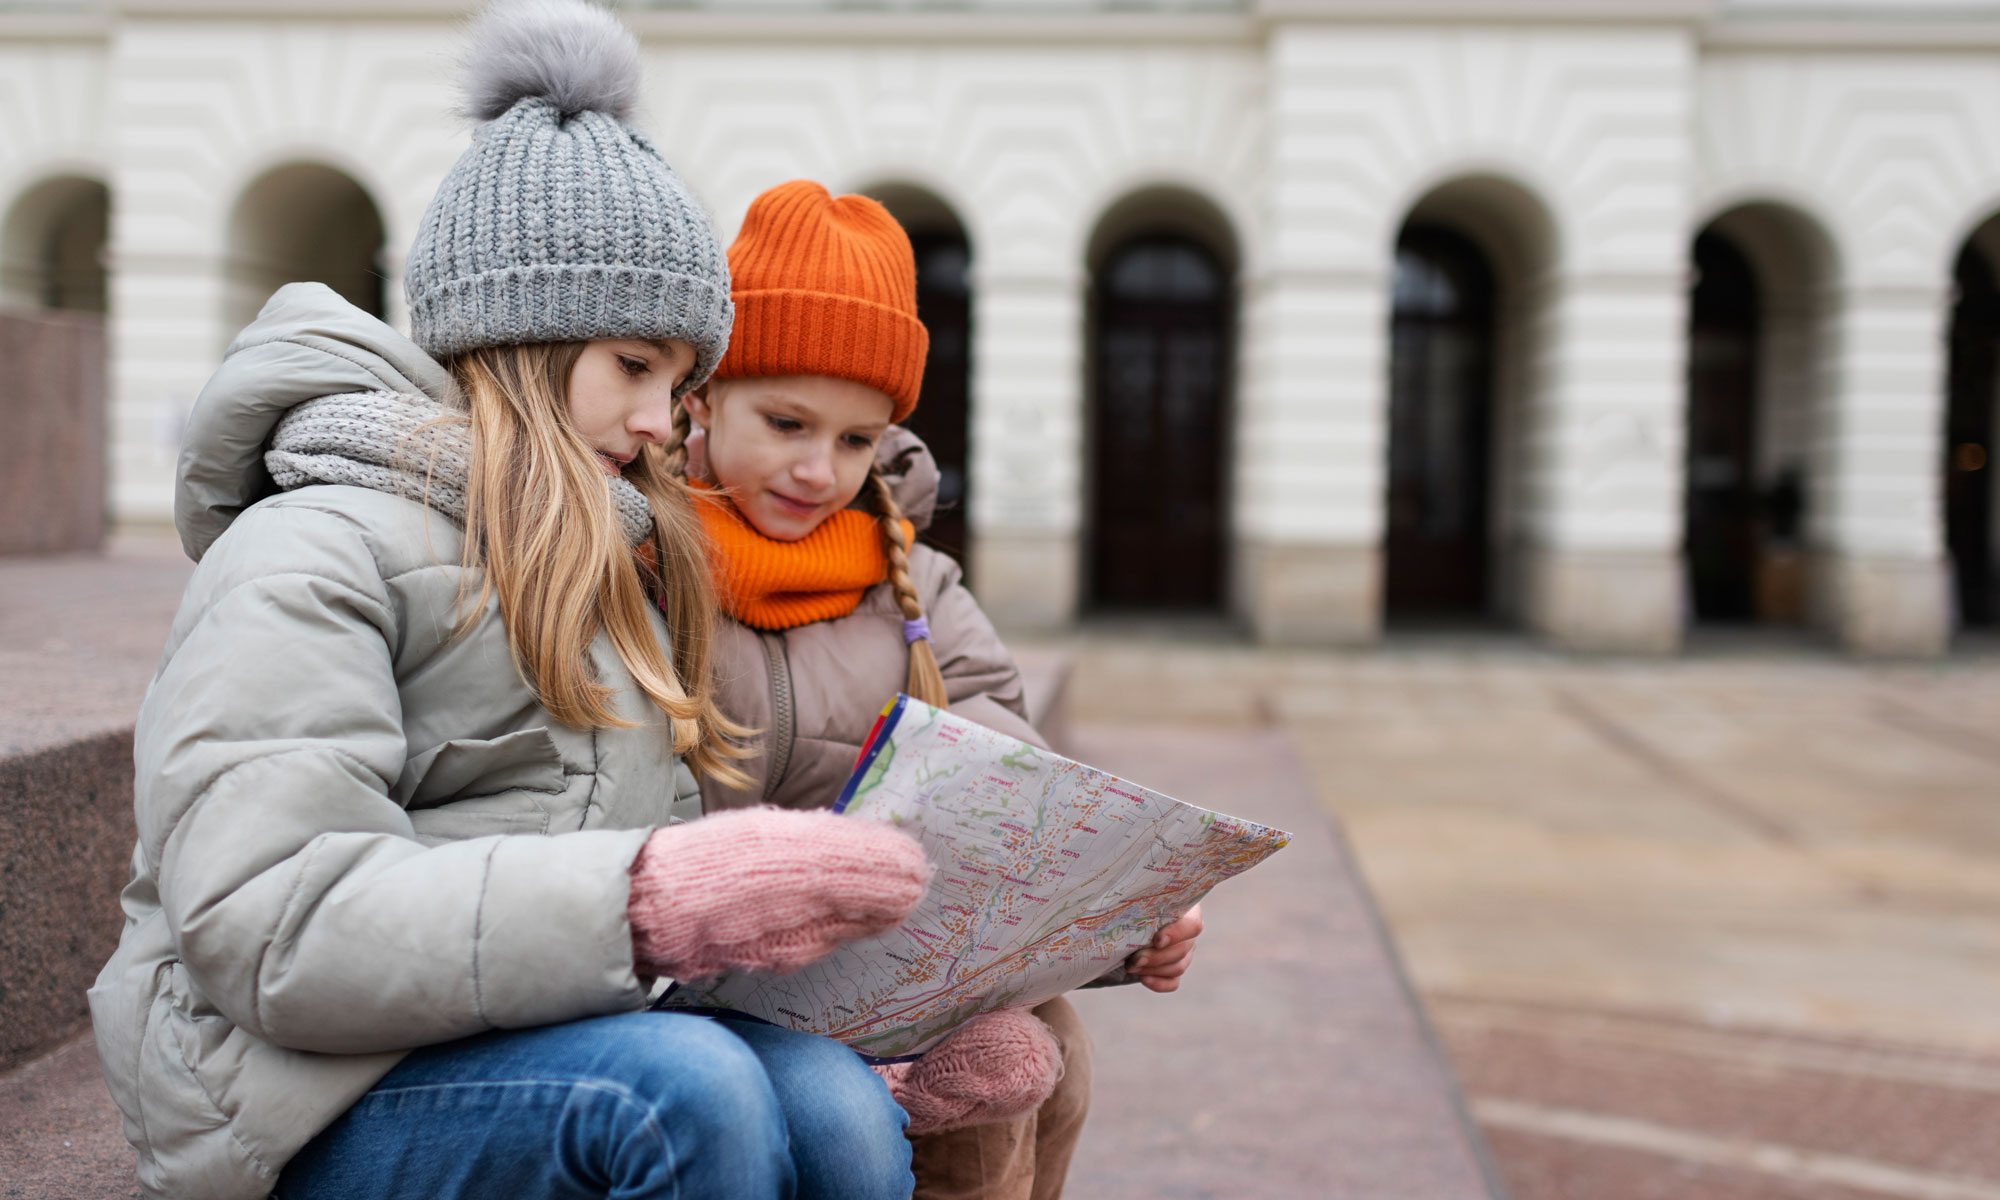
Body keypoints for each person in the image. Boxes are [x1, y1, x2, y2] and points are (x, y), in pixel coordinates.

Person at [87, 5, 987, 1198]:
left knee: (838, 1110)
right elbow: (275, 926)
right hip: (292, 1090)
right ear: (521, 333)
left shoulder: (610, 560)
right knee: (685, 1095)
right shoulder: (309, 552)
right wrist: (644, 903)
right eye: (635, 367)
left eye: (681, 382)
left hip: (526, 1029)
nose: (666, 423)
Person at [670, 179, 1205, 1200]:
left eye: (855, 440)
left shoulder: (919, 584)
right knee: (967, 1085)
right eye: (785, 422)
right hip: (705, 979)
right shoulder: (643, 565)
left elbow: (1022, 814)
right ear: (700, 396)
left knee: (1048, 1053)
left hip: (886, 969)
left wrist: (1129, 926)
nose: (817, 469)